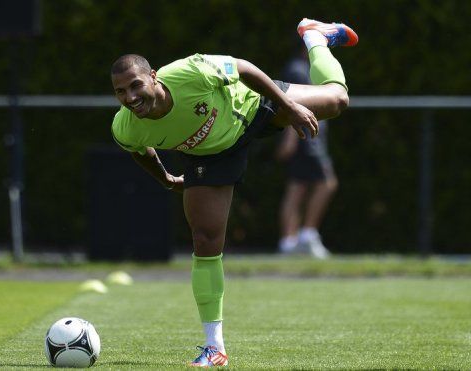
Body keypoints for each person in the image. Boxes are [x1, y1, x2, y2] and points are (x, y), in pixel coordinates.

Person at [110, 18, 358, 367]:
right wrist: (165, 178)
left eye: (135, 85)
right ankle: (214, 348)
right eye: (120, 92)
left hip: (253, 107)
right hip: (210, 155)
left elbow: (244, 69)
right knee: (205, 239)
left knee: (337, 101)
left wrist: (288, 107)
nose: (130, 98)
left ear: (153, 77)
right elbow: (138, 150)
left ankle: (315, 37)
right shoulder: (125, 126)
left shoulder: (189, 73)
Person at [276, 44, 338, 258]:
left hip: (311, 138)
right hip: (305, 139)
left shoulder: (307, 69)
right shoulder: (297, 69)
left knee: (298, 187)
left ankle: (291, 241)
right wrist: (290, 139)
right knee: (324, 183)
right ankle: (304, 236)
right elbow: (292, 104)